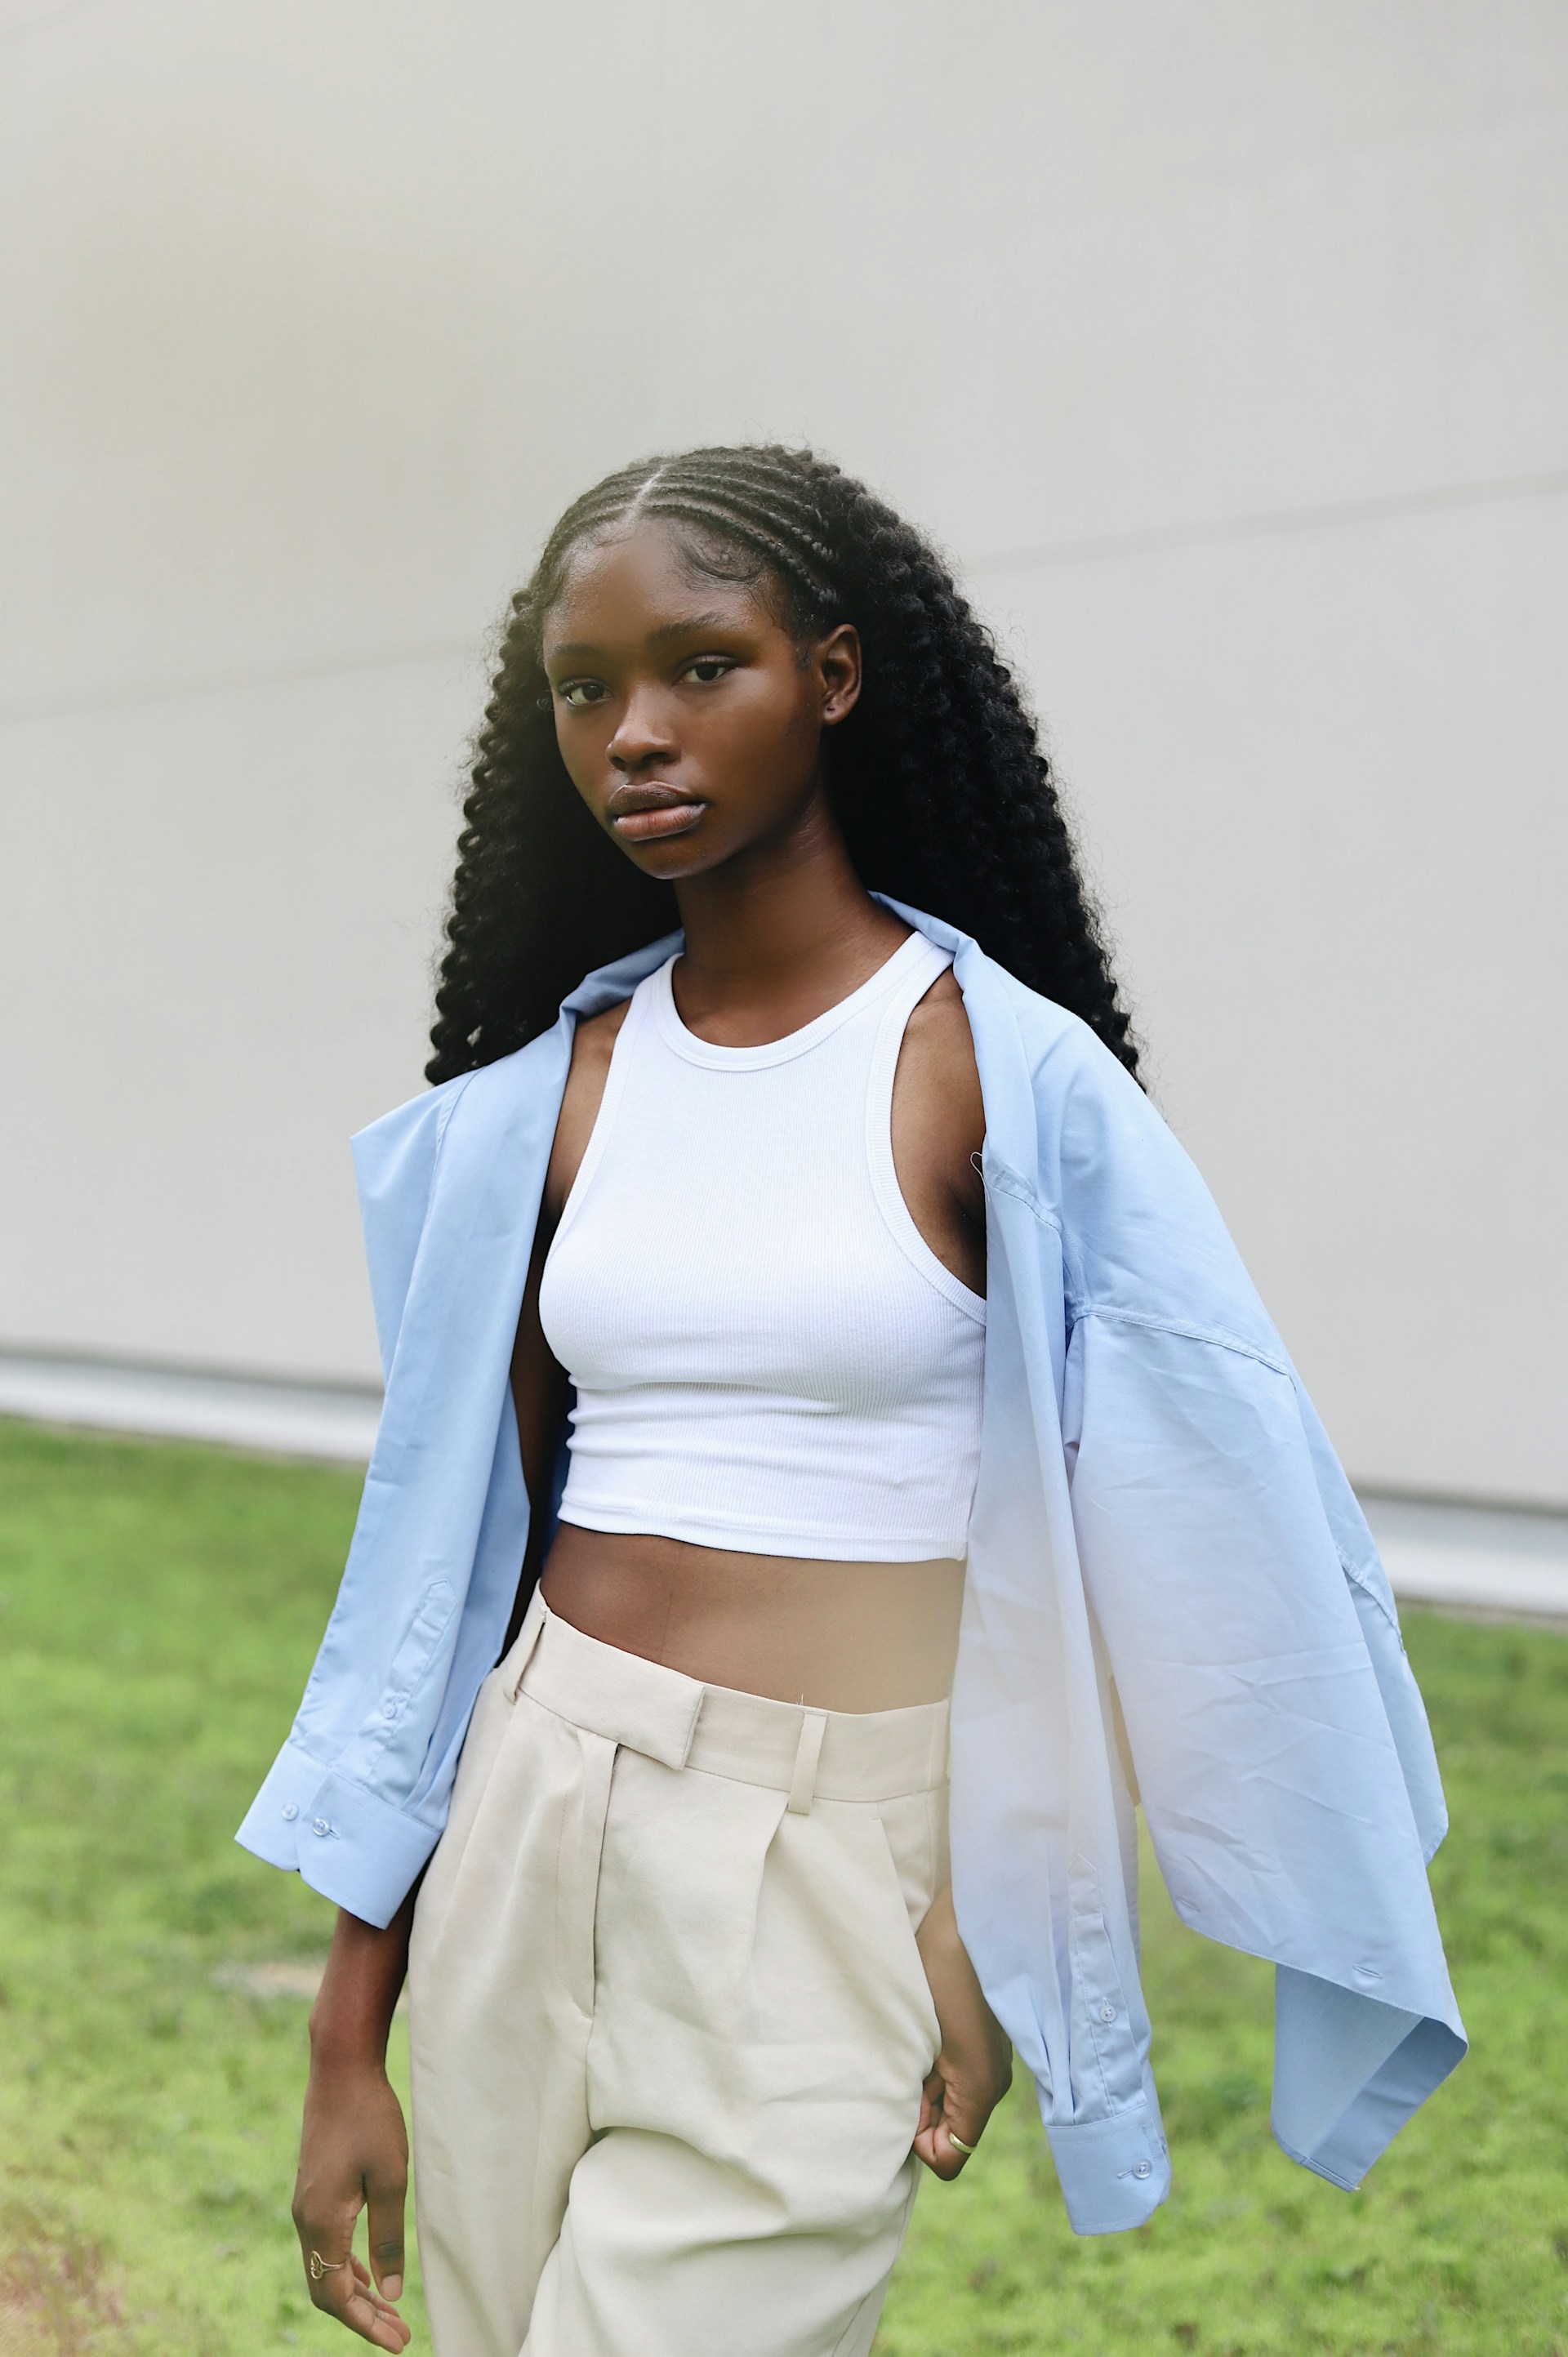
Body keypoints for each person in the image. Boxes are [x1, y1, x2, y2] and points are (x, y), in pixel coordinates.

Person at [239, 446, 1464, 2357]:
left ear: (830, 672)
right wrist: (346, 2021)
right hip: (529, 1799)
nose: (636, 734)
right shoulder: (544, 1106)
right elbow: (438, 1583)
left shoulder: (1001, 1084)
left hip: (824, 1861)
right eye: (586, 689)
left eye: (699, 668)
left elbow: (1185, 1531)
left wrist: (988, 1894)